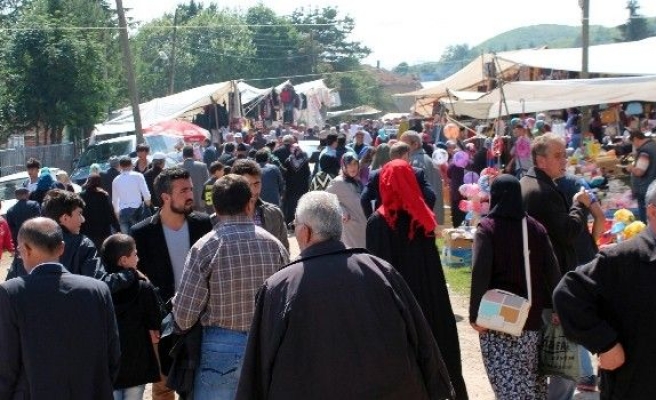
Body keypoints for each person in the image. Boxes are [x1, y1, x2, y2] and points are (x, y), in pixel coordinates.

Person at [235, 191, 454, 400]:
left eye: (295, 226)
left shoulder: (280, 286)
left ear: (305, 231)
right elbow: (421, 338)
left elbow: (258, 363)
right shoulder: (381, 271)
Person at [173, 174, 289, 400]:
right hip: (266, 346)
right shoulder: (274, 246)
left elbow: (184, 316)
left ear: (215, 207)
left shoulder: (206, 247)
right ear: (249, 205)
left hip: (219, 350)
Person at [366, 159, 468, 400]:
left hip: (400, 305)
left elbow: (379, 272)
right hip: (431, 300)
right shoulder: (422, 217)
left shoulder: (379, 222)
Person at [553, 179, 656, 400]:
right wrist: (605, 343)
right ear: (653, 212)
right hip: (636, 385)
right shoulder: (622, 259)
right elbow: (567, 294)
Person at [0, 217, 120, 399]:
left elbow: (6, 364)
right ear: (61, 247)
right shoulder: (97, 289)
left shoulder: (11, 292)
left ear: (25, 249)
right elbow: (113, 354)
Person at [519, 132, 597, 399]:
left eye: (564, 154)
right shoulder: (540, 191)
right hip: (551, 285)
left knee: (554, 358)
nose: (564, 160)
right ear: (540, 160)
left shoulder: (534, 184)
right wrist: (579, 205)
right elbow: (568, 232)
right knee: (564, 363)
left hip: (543, 283)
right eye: (558, 155)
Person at [469, 174, 561, 399]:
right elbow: (552, 270)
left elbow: (480, 274)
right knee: (529, 380)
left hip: (495, 319)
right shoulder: (536, 228)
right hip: (530, 319)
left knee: (509, 385)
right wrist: (558, 307)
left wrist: (474, 315)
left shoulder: (487, 228)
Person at [130, 167, 213, 400]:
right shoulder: (143, 233)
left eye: (191, 189)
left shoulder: (203, 224)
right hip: (162, 322)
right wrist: (149, 322)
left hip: (200, 319)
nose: (190, 195)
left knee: (198, 383)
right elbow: (139, 280)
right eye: (183, 190)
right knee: (163, 386)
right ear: (165, 197)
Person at [100, 233, 162, 400]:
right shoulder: (142, 286)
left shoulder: (99, 290)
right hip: (137, 362)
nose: (138, 258)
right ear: (123, 260)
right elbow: (156, 320)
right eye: (134, 254)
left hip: (109, 363)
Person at [360, 142, 435, 219]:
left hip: (384, 221)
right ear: (405, 156)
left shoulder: (376, 174)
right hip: (409, 222)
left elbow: (364, 199)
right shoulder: (417, 173)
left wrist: (371, 219)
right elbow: (431, 196)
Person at [231, 159, 289, 250]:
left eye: (256, 184)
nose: (253, 190)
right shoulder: (224, 216)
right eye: (247, 185)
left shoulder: (274, 213)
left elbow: (284, 249)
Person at [401, 130, 445, 224]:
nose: (401, 148)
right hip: (431, 214)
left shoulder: (415, 162)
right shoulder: (427, 159)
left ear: (415, 144)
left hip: (423, 216)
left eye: (404, 145)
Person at [325, 152, 367, 248]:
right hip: (350, 230)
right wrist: (341, 210)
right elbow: (326, 200)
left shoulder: (359, 181)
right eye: (349, 164)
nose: (353, 167)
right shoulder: (338, 182)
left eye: (355, 164)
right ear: (344, 165)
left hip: (363, 228)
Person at [80, 173, 121, 250]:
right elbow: (110, 212)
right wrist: (117, 227)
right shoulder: (103, 195)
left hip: (88, 229)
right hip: (103, 228)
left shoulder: (81, 195)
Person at [113, 156, 152, 234]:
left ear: (120, 166)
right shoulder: (138, 176)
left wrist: (117, 214)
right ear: (131, 164)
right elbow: (146, 194)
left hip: (123, 212)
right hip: (138, 211)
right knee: (140, 237)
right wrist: (148, 205)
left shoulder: (115, 180)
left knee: (127, 242)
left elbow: (115, 200)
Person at [625, 129, 656, 223]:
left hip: (645, 188)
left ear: (635, 139)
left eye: (633, 143)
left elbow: (639, 171)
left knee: (646, 216)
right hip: (652, 186)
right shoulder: (653, 145)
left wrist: (630, 168)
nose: (634, 146)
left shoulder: (645, 151)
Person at [281, 143, 311, 225]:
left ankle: (290, 224)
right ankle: (301, 224)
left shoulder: (288, 161)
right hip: (302, 188)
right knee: (301, 206)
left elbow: (285, 175)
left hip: (291, 188)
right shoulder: (305, 161)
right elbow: (308, 174)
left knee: (291, 207)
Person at [178, 145, 209, 213]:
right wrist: (209, 201)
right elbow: (207, 185)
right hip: (201, 200)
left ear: (183, 155)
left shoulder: (178, 167)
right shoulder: (202, 166)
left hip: (185, 201)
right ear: (193, 154)